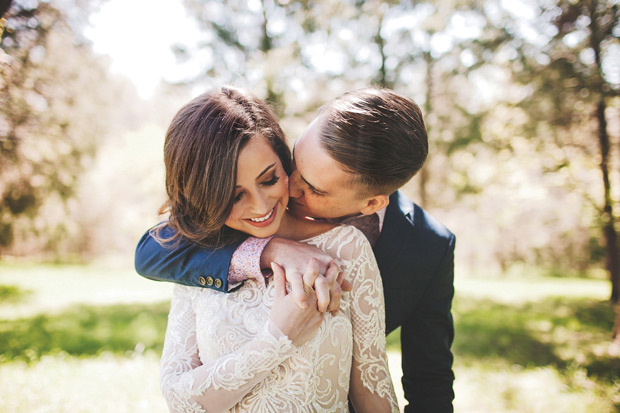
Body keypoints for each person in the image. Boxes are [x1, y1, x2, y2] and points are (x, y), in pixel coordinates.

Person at [137, 87, 455, 412]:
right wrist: (268, 250)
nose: (290, 187)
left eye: (313, 188)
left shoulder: (422, 249)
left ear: (371, 203)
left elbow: (426, 383)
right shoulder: (219, 222)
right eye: (292, 165)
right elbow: (151, 250)